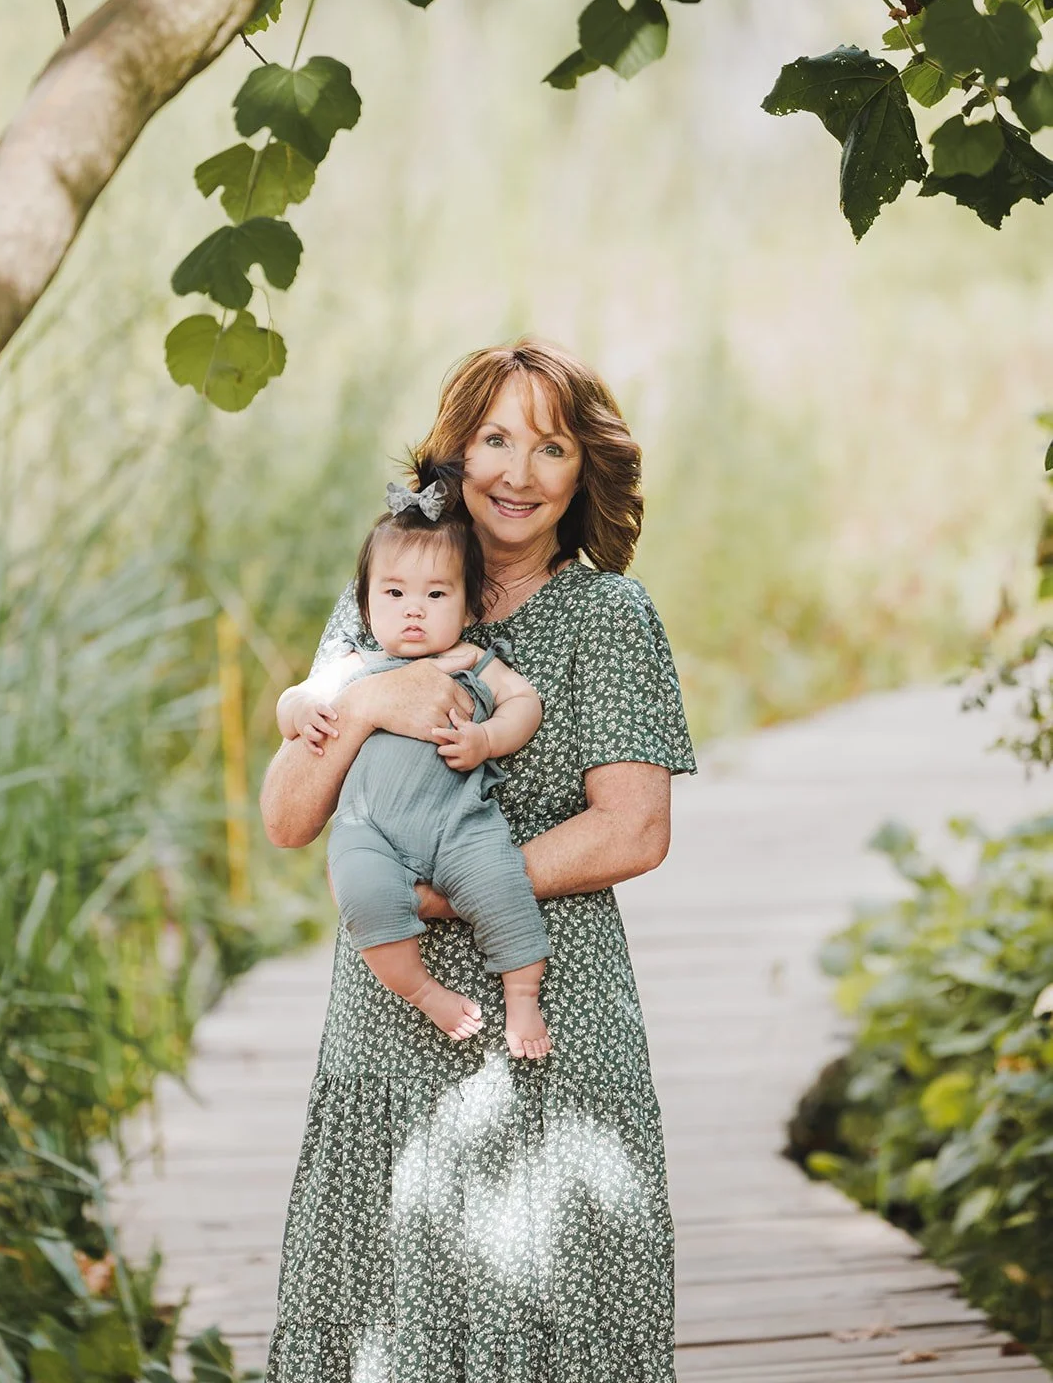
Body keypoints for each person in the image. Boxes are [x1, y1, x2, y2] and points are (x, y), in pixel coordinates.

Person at [260, 339, 696, 1383]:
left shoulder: (606, 615)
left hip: (549, 1026)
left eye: (550, 446)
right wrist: (365, 700)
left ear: (582, 471)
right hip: (389, 1033)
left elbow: (632, 828)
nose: (517, 470)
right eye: (494, 438)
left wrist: (454, 893)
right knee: (385, 1325)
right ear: (450, 454)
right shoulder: (387, 595)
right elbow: (285, 815)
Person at [276, 469, 553, 1058]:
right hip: (369, 828)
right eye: (394, 593)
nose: (413, 611)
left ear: (468, 603)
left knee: (502, 886)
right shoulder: (354, 664)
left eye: (436, 594)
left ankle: (523, 996)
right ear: (367, 602)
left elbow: (524, 703)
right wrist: (302, 712)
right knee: (363, 898)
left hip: (459, 822)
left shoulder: (472, 660)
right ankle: (426, 993)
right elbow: (295, 698)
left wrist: (486, 739)